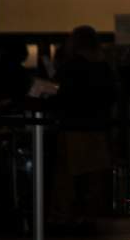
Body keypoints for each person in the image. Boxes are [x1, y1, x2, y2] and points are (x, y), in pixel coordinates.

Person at [50, 26, 118, 226]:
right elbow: (111, 97)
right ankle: (90, 216)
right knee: (93, 177)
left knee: (68, 177)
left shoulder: (71, 67)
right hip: (98, 128)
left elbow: (58, 95)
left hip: (73, 127)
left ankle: (66, 216)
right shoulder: (104, 67)